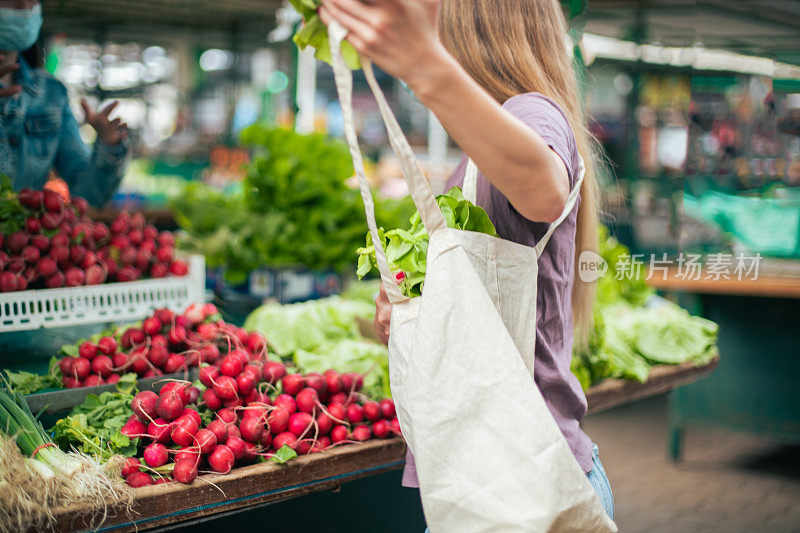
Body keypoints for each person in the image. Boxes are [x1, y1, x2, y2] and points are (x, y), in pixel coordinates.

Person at [319, 0, 615, 519]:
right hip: (502, 478)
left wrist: (425, 66)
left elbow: (546, 190)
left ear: (472, 26)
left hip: (526, 484)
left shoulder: (531, 111)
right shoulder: (489, 142)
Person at [0, 0, 129, 206]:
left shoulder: (50, 94)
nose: (24, 7)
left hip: (26, 237)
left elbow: (88, 195)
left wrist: (108, 146)